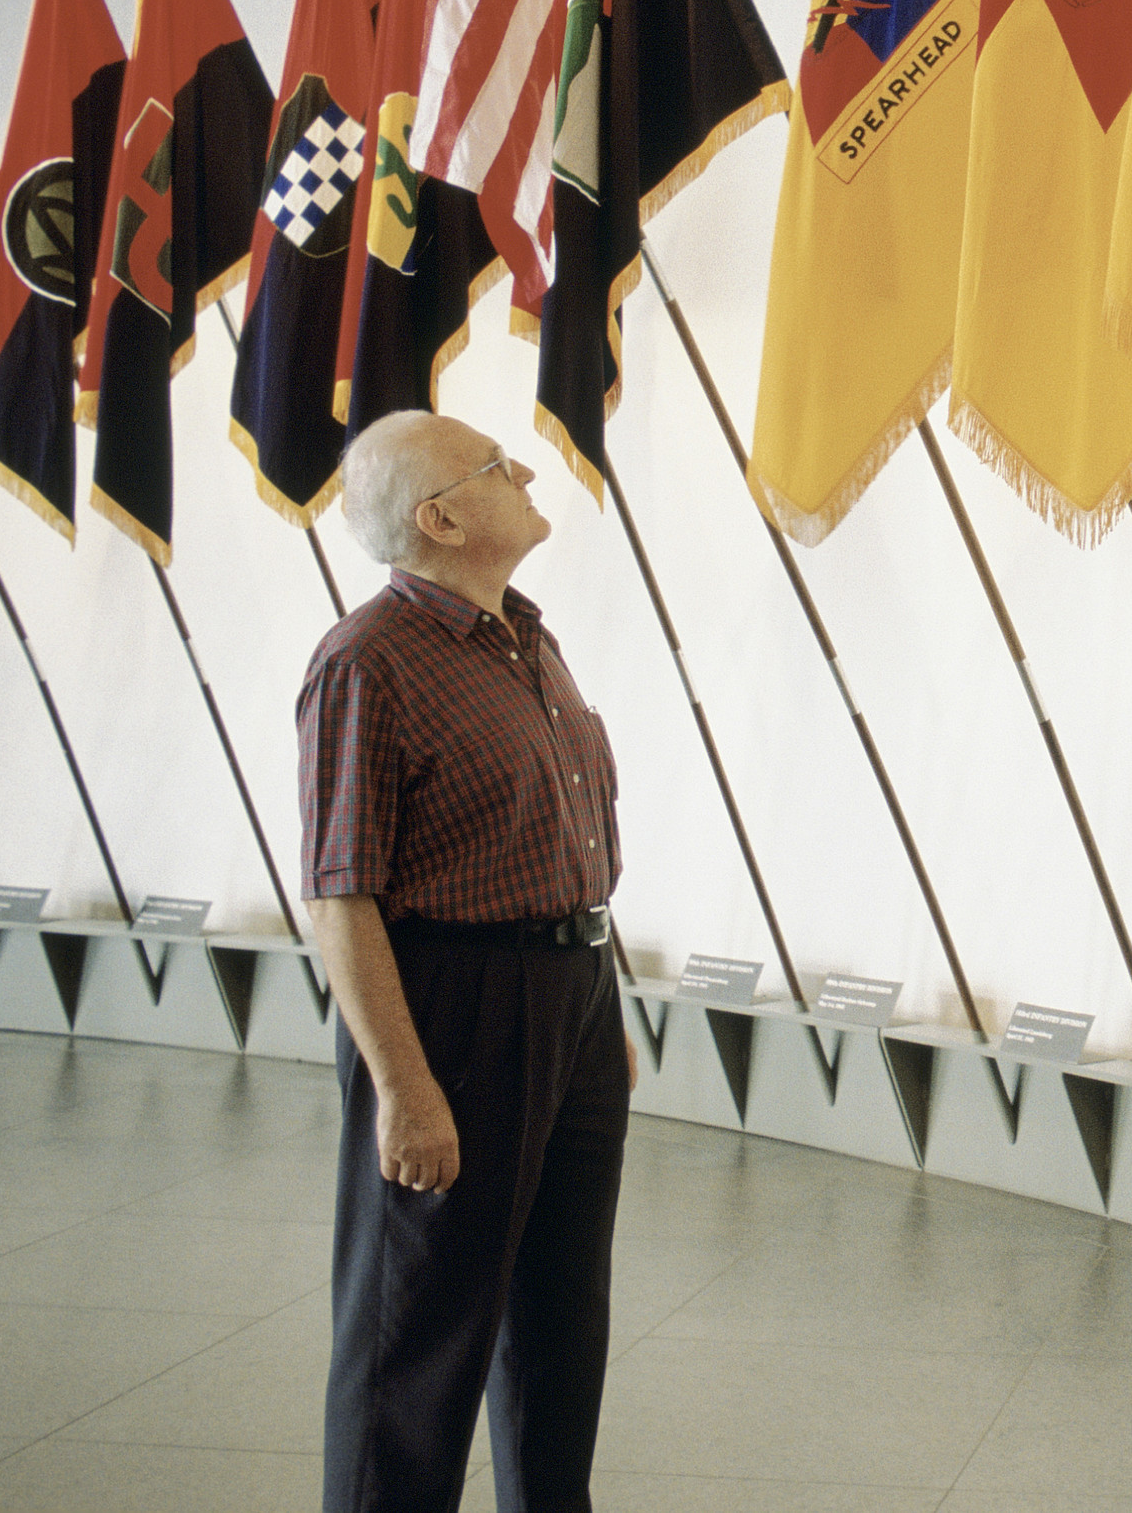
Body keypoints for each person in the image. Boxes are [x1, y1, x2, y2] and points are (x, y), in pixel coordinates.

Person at [299, 409, 636, 1513]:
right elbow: (342, 894)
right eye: (497, 463)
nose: (528, 466)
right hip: (454, 1003)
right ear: (440, 517)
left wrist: (600, 1009)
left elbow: (566, 834)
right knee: (418, 1339)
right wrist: (403, 1085)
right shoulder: (366, 661)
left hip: (572, 997)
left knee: (559, 1320)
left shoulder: (530, 636)